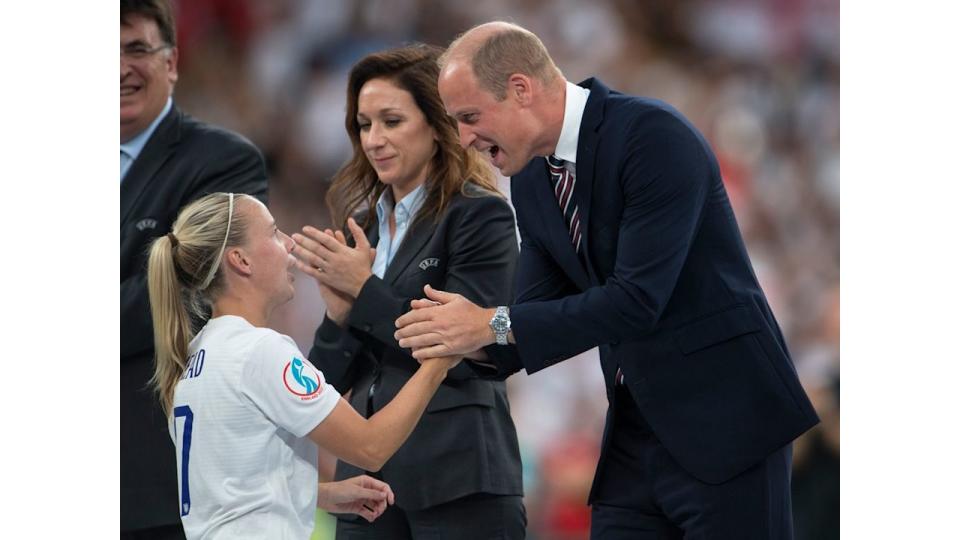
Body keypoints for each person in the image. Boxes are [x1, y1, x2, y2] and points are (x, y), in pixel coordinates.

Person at [394, 22, 821, 539]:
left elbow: (636, 301)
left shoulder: (652, 136)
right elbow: (530, 317)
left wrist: (491, 324)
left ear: (520, 90)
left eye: (469, 117)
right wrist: (448, 334)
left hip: (727, 424)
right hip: (634, 438)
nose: (463, 138)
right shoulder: (530, 178)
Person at [289, 44, 526, 539]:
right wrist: (337, 318)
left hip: (459, 476)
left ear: (438, 126)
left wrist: (364, 290)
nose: (374, 140)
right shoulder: (363, 228)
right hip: (366, 486)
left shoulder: (480, 215)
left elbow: (458, 344)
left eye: (392, 121)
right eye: (364, 125)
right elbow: (329, 381)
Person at [147, 192, 463, 539]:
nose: (288, 244)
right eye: (273, 232)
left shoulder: (194, 357)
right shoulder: (259, 351)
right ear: (241, 260)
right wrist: (439, 359)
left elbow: (229, 487)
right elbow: (371, 447)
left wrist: (320, 493)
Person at [120, 1, 269, 538]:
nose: (119, 68)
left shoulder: (223, 162)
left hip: (157, 478)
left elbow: (193, 291)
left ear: (173, 61)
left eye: (136, 49)